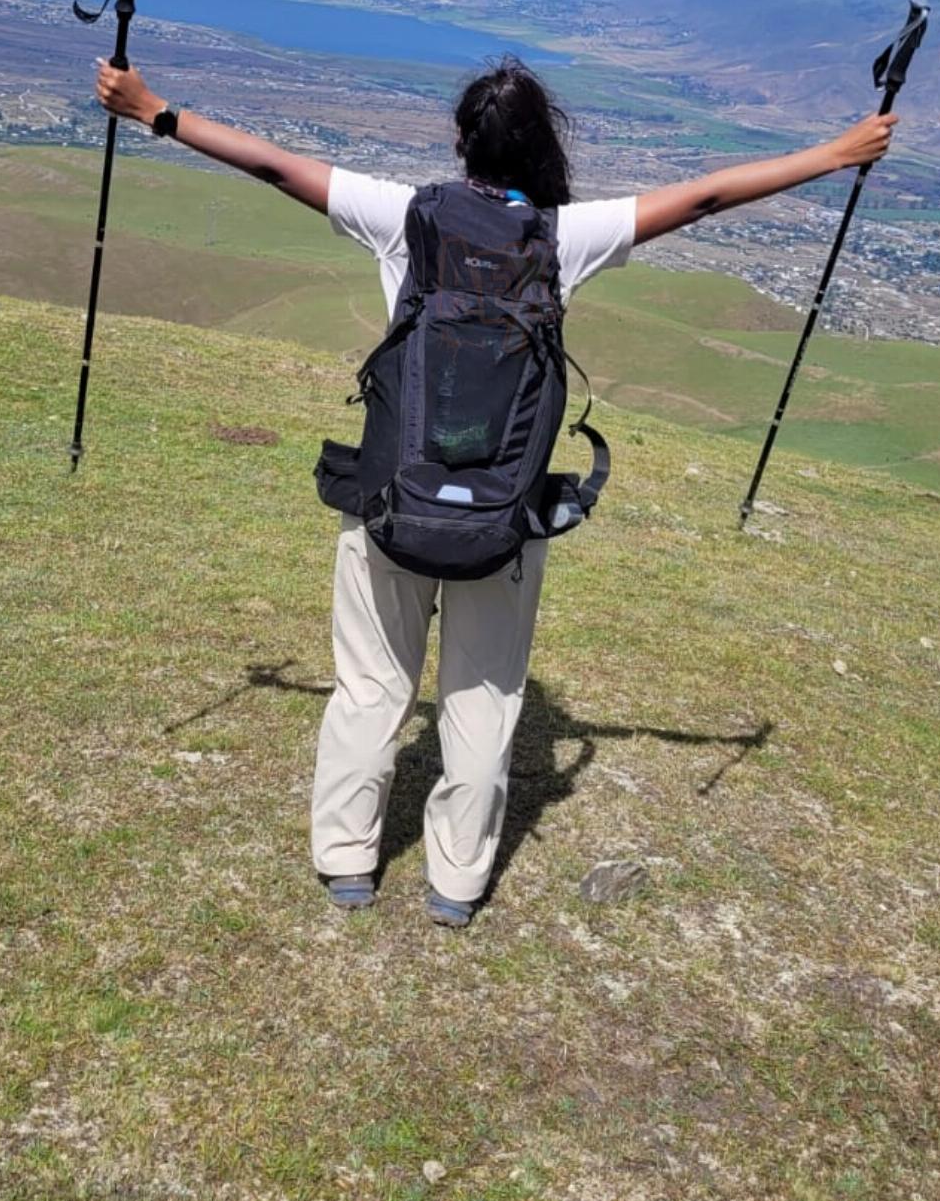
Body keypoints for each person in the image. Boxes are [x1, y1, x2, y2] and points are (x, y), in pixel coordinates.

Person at [95, 51, 896, 928]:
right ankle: (456, 882)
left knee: (372, 686)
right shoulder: (563, 237)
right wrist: (834, 152)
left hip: (392, 502)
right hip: (503, 523)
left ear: (459, 143)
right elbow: (705, 195)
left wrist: (153, 111)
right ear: (543, 149)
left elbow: (271, 163)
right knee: (482, 699)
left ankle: (348, 861)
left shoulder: (402, 217)